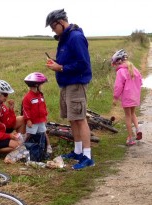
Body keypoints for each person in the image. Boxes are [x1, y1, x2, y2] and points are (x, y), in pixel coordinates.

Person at [45, 9, 94, 169]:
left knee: (80, 119)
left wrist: (61, 68)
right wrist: (56, 64)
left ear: (61, 22)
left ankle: (87, 157)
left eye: (53, 27)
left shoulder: (76, 37)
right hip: (66, 84)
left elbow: (83, 64)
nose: (53, 30)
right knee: (73, 118)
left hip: (76, 83)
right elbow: (67, 61)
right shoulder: (64, 39)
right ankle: (77, 151)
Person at [111, 49, 143, 146]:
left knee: (128, 116)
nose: (115, 66)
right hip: (135, 95)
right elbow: (140, 81)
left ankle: (130, 138)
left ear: (118, 61)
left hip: (127, 96)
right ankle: (138, 130)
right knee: (133, 113)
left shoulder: (121, 71)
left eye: (115, 64)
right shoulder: (134, 68)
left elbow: (118, 86)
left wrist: (115, 97)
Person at [22, 72, 52, 154]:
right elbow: (25, 110)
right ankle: (22, 147)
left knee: (44, 132)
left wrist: (45, 114)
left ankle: (48, 146)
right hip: (33, 121)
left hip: (41, 120)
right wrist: (28, 120)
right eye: (41, 84)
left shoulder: (40, 95)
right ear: (36, 85)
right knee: (29, 135)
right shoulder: (27, 97)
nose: (42, 86)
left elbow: (43, 106)